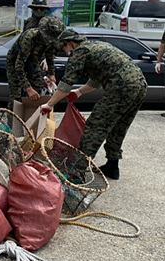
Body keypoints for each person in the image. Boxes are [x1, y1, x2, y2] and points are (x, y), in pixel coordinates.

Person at [41, 29, 147, 180]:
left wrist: (49, 105)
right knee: (119, 125)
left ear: (70, 44)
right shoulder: (95, 46)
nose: (65, 53)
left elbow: (65, 85)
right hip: (140, 84)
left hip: (121, 86)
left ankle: (77, 171)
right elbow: (96, 81)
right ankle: (112, 165)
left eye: (64, 49)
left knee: (95, 127)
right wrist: (79, 92)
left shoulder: (79, 53)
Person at [5, 16, 65, 110]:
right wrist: (28, 89)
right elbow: (19, 66)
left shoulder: (52, 39)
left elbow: (49, 56)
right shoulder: (29, 38)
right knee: (16, 93)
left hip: (33, 61)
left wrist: (51, 73)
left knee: (38, 86)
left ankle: (33, 116)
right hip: (15, 61)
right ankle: (12, 119)